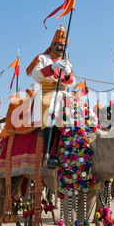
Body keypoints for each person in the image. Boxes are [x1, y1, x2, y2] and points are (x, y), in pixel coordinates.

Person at [26, 24, 75, 167]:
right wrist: (51, 68)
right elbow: (35, 75)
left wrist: (67, 72)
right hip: (46, 92)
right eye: (58, 45)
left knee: (80, 112)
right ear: (52, 45)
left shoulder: (67, 62)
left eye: (63, 45)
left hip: (63, 93)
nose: (60, 48)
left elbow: (72, 82)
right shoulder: (43, 58)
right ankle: (49, 153)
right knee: (50, 112)